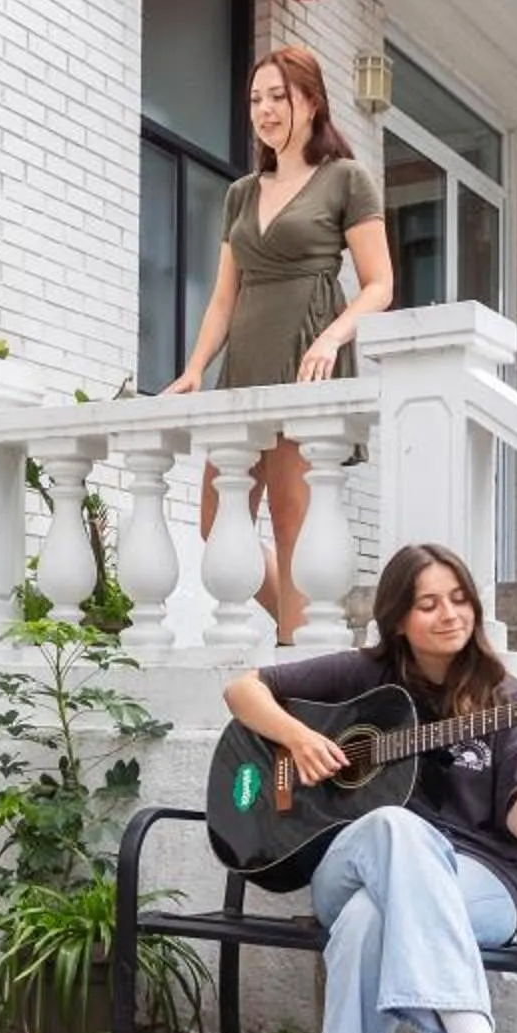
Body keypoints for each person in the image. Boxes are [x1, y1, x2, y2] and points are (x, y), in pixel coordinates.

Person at [221, 543, 517, 1033]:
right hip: (352, 863)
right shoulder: (366, 677)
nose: (450, 615)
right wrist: (298, 737)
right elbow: (242, 690)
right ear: (398, 617)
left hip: (481, 881)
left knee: (367, 923)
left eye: (460, 598)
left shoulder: (504, 697)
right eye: (428, 603)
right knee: (390, 825)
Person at [164, 47, 392, 641]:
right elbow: (222, 297)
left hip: (307, 351)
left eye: (277, 97)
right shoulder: (241, 192)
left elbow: (380, 284)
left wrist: (333, 336)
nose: (264, 110)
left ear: (311, 102)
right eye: (255, 99)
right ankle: (308, 627)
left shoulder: (345, 178)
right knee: (219, 520)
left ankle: (297, 655)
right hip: (246, 356)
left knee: (294, 517)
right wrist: (194, 369)